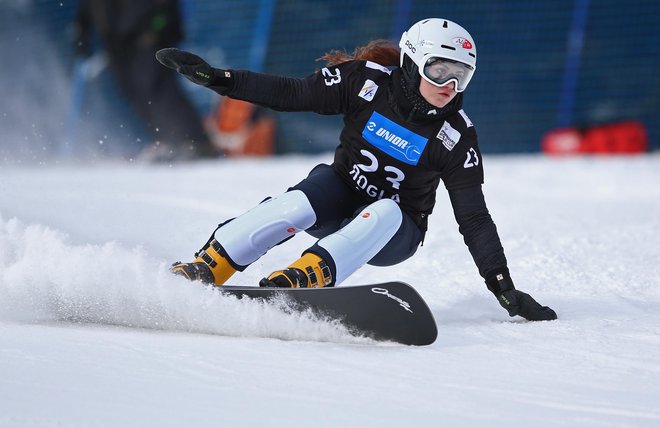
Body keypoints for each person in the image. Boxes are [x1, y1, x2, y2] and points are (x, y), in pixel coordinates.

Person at [157, 18, 557, 321]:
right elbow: (291, 93)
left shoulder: (455, 136)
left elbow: (474, 217)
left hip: (392, 233)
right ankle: (212, 263)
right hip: (339, 201)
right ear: (414, 61)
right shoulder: (366, 82)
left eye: (461, 75)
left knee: (386, 209)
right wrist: (221, 80)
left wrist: (501, 285)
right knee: (300, 201)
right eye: (440, 70)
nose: (449, 85)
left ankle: (305, 278)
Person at [73, 0, 216, 161]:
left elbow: (166, 6)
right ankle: (167, 140)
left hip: (147, 35)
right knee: (135, 92)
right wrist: (82, 29)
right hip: (116, 42)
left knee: (157, 88)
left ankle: (194, 141)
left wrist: (157, 27)